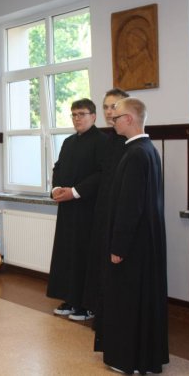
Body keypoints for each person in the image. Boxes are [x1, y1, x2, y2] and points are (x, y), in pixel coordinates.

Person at [95, 97, 168, 374]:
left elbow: (130, 206)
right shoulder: (148, 149)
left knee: (127, 300)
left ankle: (129, 359)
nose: (112, 121)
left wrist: (118, 246)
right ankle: (143, 357)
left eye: (116, 117)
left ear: (129, 119)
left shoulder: (136, 154)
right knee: (140, 300)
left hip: (133, 244)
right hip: (145, 241)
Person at [47, 98, 107, 321]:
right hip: (67, 208)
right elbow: (58, 168)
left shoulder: (103, 141)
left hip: (89, 208)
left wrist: (75, 191)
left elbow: (102, 174)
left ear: (93, 116)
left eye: (82, 114)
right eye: (73, 114)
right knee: (67, 255)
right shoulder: (68, 142)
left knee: (85, 255)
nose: (77, 119)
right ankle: (70, 299)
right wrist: (56, 189)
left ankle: (87, 305)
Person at [82, 88, 130, 318]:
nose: (109, 112)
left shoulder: (130, 143)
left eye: (114, 107)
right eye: (106, 107)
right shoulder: (110, 139)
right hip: (103, 211)